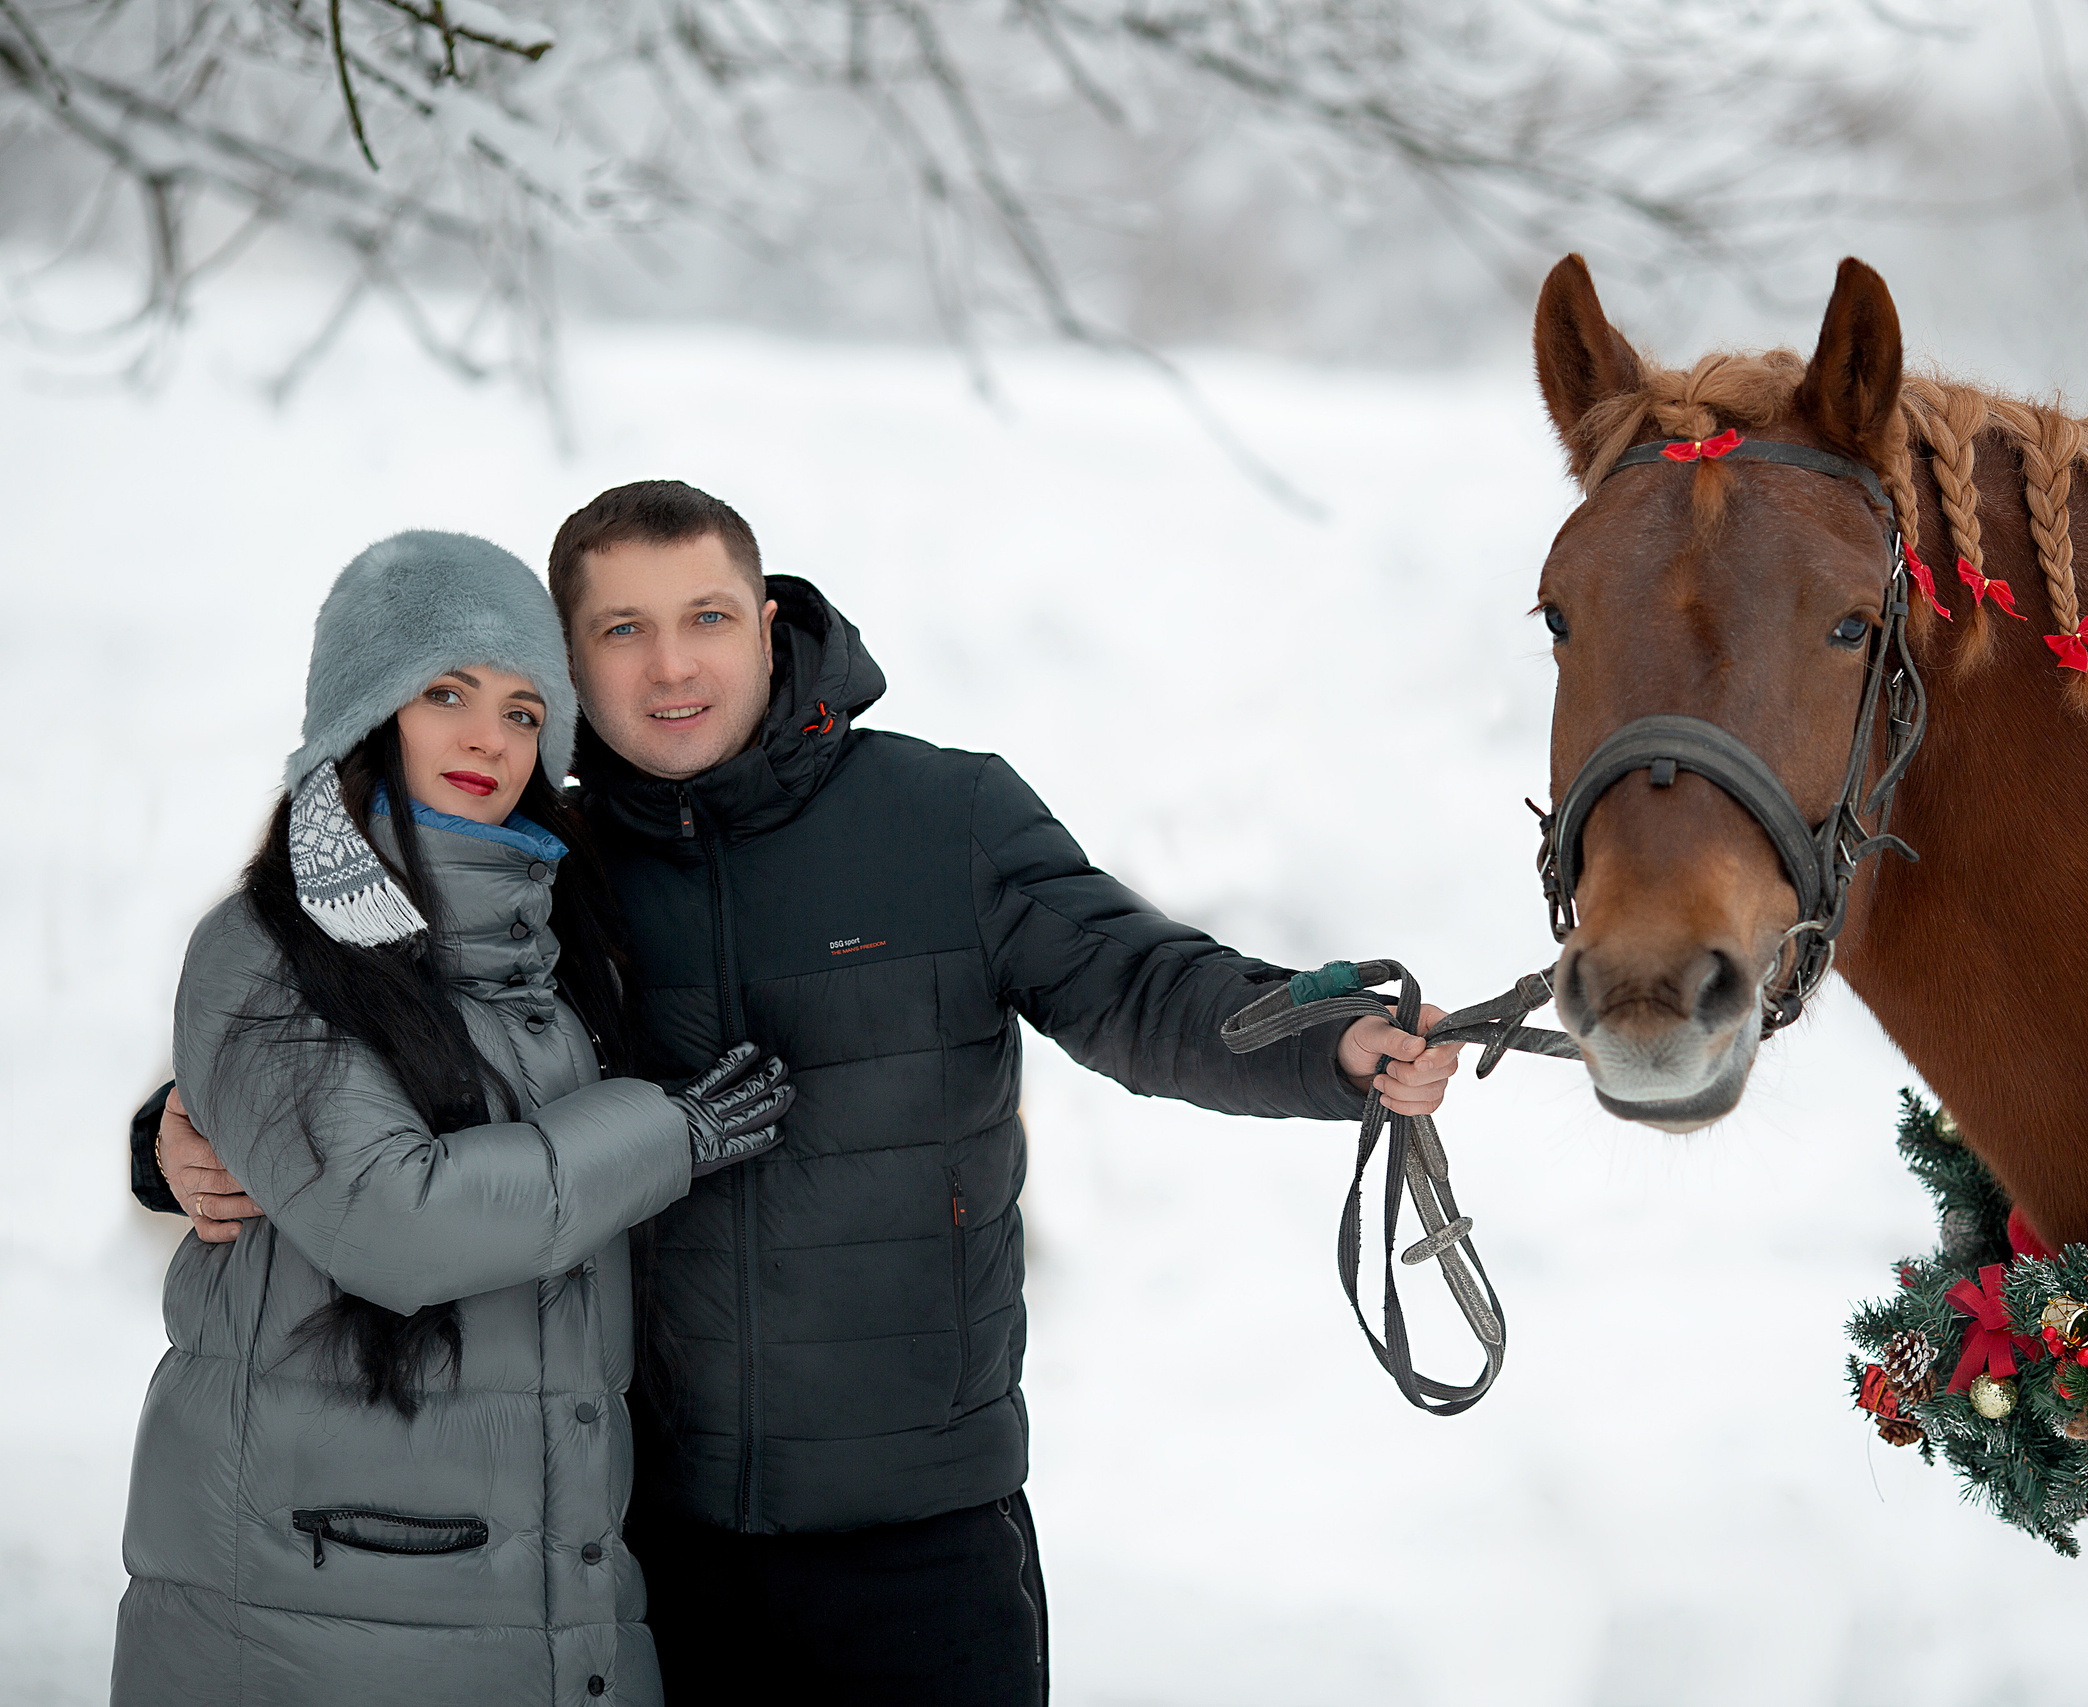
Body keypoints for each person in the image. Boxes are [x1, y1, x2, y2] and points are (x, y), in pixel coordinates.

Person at [141, 483, 1464, 1704]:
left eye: (706, 617)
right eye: (622, 631)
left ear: (768, 626)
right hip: (646, 1542)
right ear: (573, 665)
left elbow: (1142, 985)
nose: (671, 666)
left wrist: (1322, 1041)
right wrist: (172, 1135)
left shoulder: (945, 817)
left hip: (918, 1537)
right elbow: (361, 1039)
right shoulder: (545, 862)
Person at [114, 532, 797, 1707]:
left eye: (526, 711)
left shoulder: (560, 943)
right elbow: (396, 1219)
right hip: (317, 1604)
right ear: (363, 710)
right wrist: (661, 1133)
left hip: (550, 1595)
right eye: (446, 695)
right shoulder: (269, 947)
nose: (490, 739)